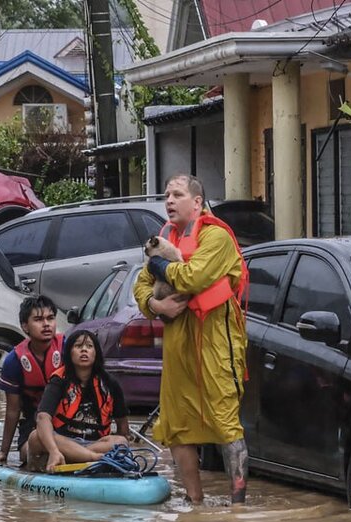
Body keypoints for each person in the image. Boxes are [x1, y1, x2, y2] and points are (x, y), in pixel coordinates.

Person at [132, 173, 250, 504]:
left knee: (225, 422)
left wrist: (158, 266)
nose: (169, 201)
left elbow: (192, 277)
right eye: (166, 195)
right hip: (176, 345)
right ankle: (194, 501)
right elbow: (140, 285)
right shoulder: (165, 237)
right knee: (176, 424)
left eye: (177, 195)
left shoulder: (216, 237)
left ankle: (238, 509)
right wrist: (156, 305)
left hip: (214, 343)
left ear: (197, 202)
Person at [28, 330, 130, 472]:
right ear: (69, 353)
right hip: (62, 442)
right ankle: (91, 458)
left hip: (95, 443)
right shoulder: (59, 380)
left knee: (121, 442)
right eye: (78, 346)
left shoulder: (110, 383)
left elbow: (123, 428)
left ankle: (75, 456)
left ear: (96, 353)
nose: (84, 350)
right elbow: (42, 417)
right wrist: (53, 450)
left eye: (89, 346)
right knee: (35, 437)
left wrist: (121, 449)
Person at [0, 295, 63, 467]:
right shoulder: (14, 361)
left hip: (67, 421)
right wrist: (4, 451)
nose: (46, 324)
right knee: (28, 451)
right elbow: (13, 410)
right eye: (38, 320)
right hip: (33, 425)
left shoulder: (68, 349)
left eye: (50, 318)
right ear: (25, 326)